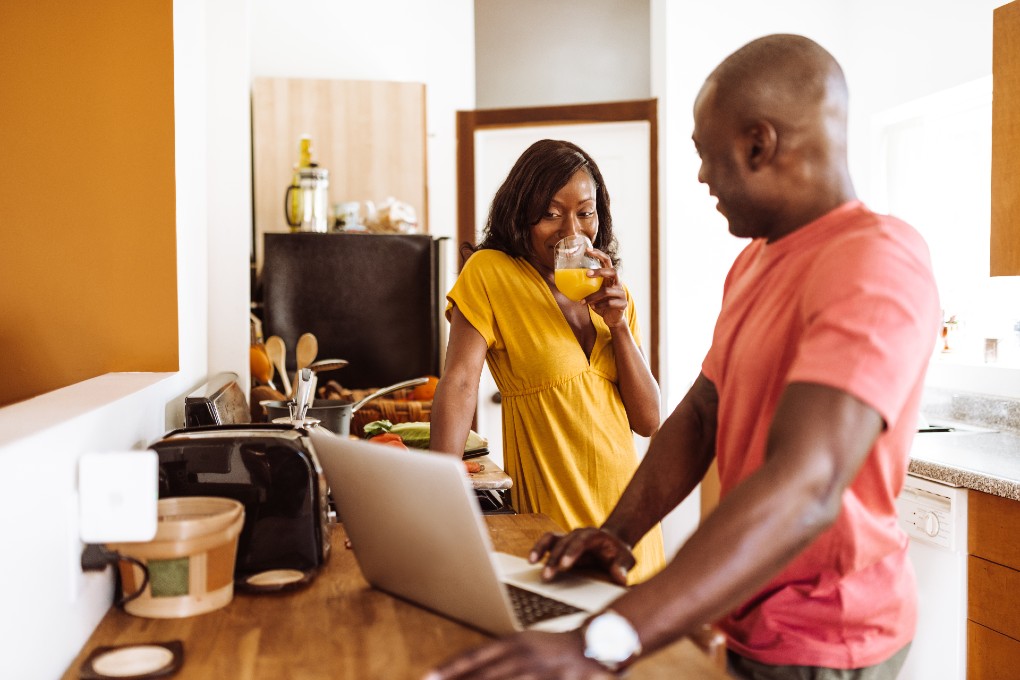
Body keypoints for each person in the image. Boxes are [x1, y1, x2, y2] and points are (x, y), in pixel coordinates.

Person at [425, 34, 940, 680]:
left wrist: (599, 640)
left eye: (706, 154)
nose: (700, 176)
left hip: (827, 640)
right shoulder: (754, 264)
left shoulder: (874, 260)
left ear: (759, 144)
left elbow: (804, 486)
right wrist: (616, 533)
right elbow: (699, 414)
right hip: (741, 616)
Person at [429, 138, 666, 583]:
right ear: (522, 214)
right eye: (551, 214)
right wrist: (434, 500)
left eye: (585, 212)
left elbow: (648, 420)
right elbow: (460, 383)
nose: (571, 230)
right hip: (554, 525)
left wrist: (618, 327)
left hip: (629, 527)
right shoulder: (491, 272)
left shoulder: (613, 292)